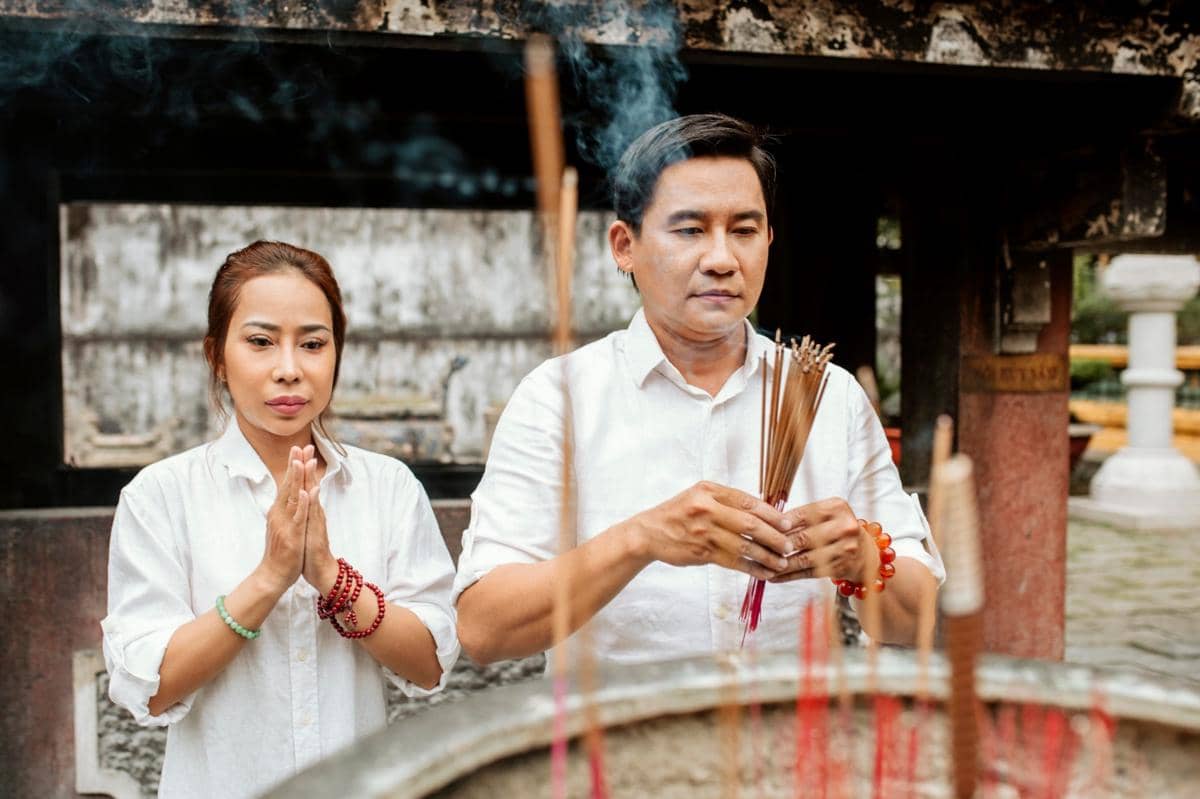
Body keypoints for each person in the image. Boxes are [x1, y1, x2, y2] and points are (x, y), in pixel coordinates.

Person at [455, 114, 943, 666]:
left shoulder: (829, 395)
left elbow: (916, 618)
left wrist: (862, 558)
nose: (721, 259)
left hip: (785, 742)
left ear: (768, 240)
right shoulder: (558, 397)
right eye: (690, 230)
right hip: (620, 745)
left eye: (744, 230)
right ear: (625, 246)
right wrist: (639, 540)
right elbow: (482, 628)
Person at [101, 241, 459, 797]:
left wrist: (332, 578)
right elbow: (149, 687)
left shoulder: (387, 488)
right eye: (261, 342)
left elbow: (430, 664)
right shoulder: (161, 497)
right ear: (217, 355)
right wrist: (269, 578)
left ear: (336, 353)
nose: (289, 370)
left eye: (313, 344)